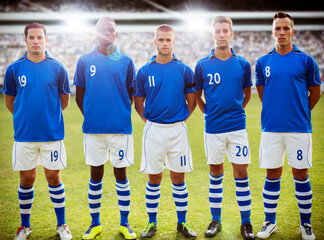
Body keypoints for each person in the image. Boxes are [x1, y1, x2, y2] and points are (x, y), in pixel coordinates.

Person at [2, 22, 72, 240]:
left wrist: (48, 117)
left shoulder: (58, 67)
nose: (35, 41)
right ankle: (24, 227)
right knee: (26, 179)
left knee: (53, 177)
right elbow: (10, 101)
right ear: (25, 40)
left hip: (51, 135)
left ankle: (62, 225)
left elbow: (64, 101)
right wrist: (26, 117)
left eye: (39, 37)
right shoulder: (14, 68)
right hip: (24, 135)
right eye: (31, 37)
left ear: (46, 40)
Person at [255, 12, 321, 240]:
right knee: (272, 173)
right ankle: (269, 222)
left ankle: (306, 225)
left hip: (298, 128)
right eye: (277, 29)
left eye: (285, 28)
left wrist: (298, 112)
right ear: (272, 32)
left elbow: (315, 93)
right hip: (271, 128)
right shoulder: (263, 62)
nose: (281, 32)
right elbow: (263, 94)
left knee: (300, 173)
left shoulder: (306, 61)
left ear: (293, 31)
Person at [73, 17, 136, 240]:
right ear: (96, 33)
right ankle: (95, 224)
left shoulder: (126, 61)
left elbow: (130, 94)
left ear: (116, 34)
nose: (107, 33)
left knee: (121, 173)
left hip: (119, 128)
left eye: (111, 30)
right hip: (94, 129)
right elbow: (79, 96)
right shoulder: (84, 60)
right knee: (95, 173)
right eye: (103, 29)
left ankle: (125, 223)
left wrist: (117, 112)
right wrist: (92, 114)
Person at [134, 24, 197, 239]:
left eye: (168, 40)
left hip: (177, 130)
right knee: (154, 178)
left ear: (174, 42)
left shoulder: (184, 70)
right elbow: (138, 103)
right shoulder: (144, 71)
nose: (164, 43)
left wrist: (178, 120)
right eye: (161, 39)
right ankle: (152, 223)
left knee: (178, 178)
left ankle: (182, 223)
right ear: (155, 42)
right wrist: (150, 122)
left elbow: (192, 101)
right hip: (153, 130)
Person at [195, 16, 255, 240]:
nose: (221, 34)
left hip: (237, 128)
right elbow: (195, 95)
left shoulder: (242, 64)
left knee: (241, 174)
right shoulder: (202, 65)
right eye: (217, 31)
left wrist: (237, 110)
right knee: (216, 174)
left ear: (231, 33)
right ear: (213, 35)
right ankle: (215, 220)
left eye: (225, 30)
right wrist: (207, 113)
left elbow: (247, 93)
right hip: (213, 129)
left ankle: (246, 222)